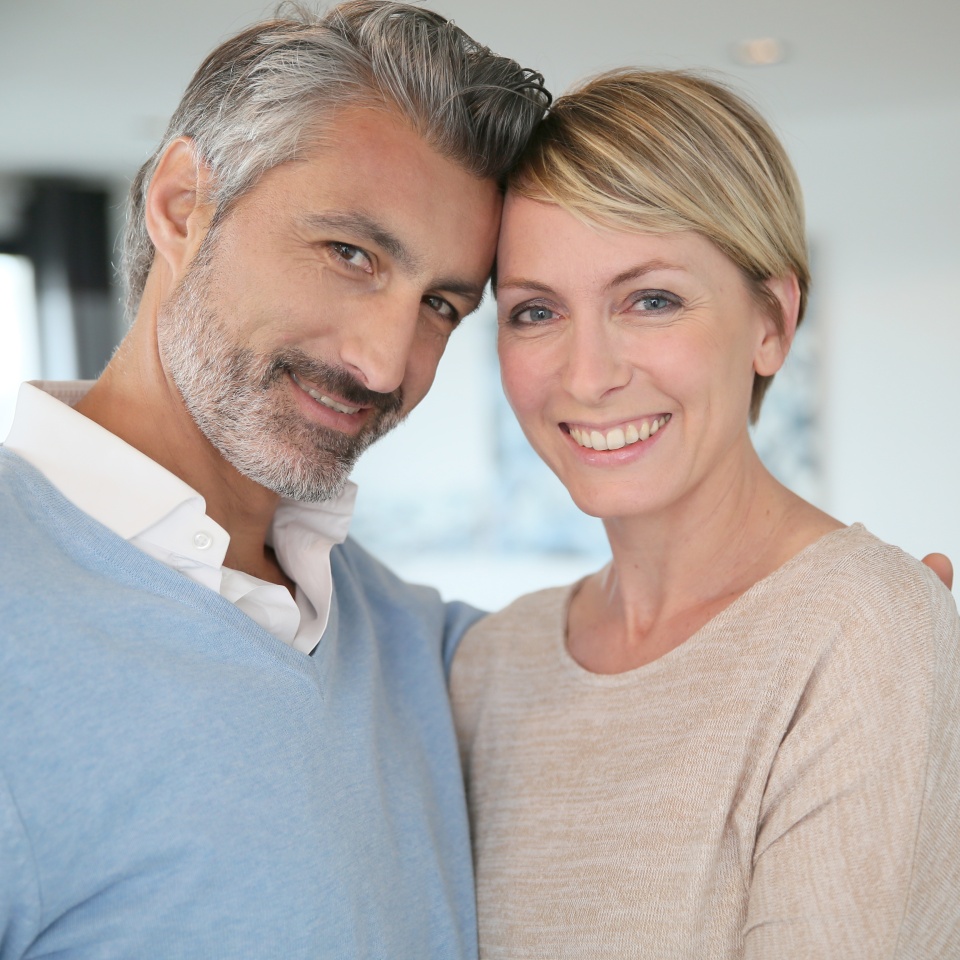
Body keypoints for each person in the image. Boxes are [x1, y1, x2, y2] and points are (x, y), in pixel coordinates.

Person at [0, 4, 549, 957]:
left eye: (442, 306)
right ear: (180, 206)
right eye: (350, 254)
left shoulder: (418, 643)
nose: (385, 362)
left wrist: (869, 615)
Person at [451, 69, 960, 958]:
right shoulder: (495, 668)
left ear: (771, 320)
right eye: (536, 311)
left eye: (650, 300)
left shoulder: (861, 626)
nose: (587, 374)